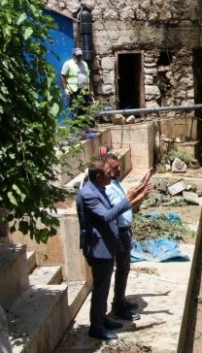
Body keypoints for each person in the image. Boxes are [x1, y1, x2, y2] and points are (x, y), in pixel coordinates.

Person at [76, 159, 152, 340]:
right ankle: (96, 327)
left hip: (106, 247)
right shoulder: (88, 194)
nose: (112, 175)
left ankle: (102, 318)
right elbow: (106, 216)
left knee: (104, 286)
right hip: (98, 250)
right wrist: (128, 199)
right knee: (100, 289)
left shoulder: (98, 188)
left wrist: (134, 197)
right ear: (98, 176)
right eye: (108, 173)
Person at [104, 153, 154, 322]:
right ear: (106, 168)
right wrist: (142, 195)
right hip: (119, 232)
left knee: (124, 269)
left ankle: (121, 300)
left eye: (119, 166)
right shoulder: (109, 188)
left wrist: (146, 181)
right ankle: (118, 307)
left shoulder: (116, 183)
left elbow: (129, 198)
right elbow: (124, 205)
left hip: (125, 230)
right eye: (115, 167)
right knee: (122, 269)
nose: (119, 169)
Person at [60, 47, 93, 121]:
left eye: (80, 55)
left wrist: (90, 90)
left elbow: (88, 77)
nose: (79, 57)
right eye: (77, 55)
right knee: (75, 108)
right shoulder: (68, 64)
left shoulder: (84, 64)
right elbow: (62, 76)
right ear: (73, 55)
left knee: (84, 107)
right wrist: (65, 89)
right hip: (74, 90)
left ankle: (83, 125)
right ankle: (76, 126)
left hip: (84, 89)